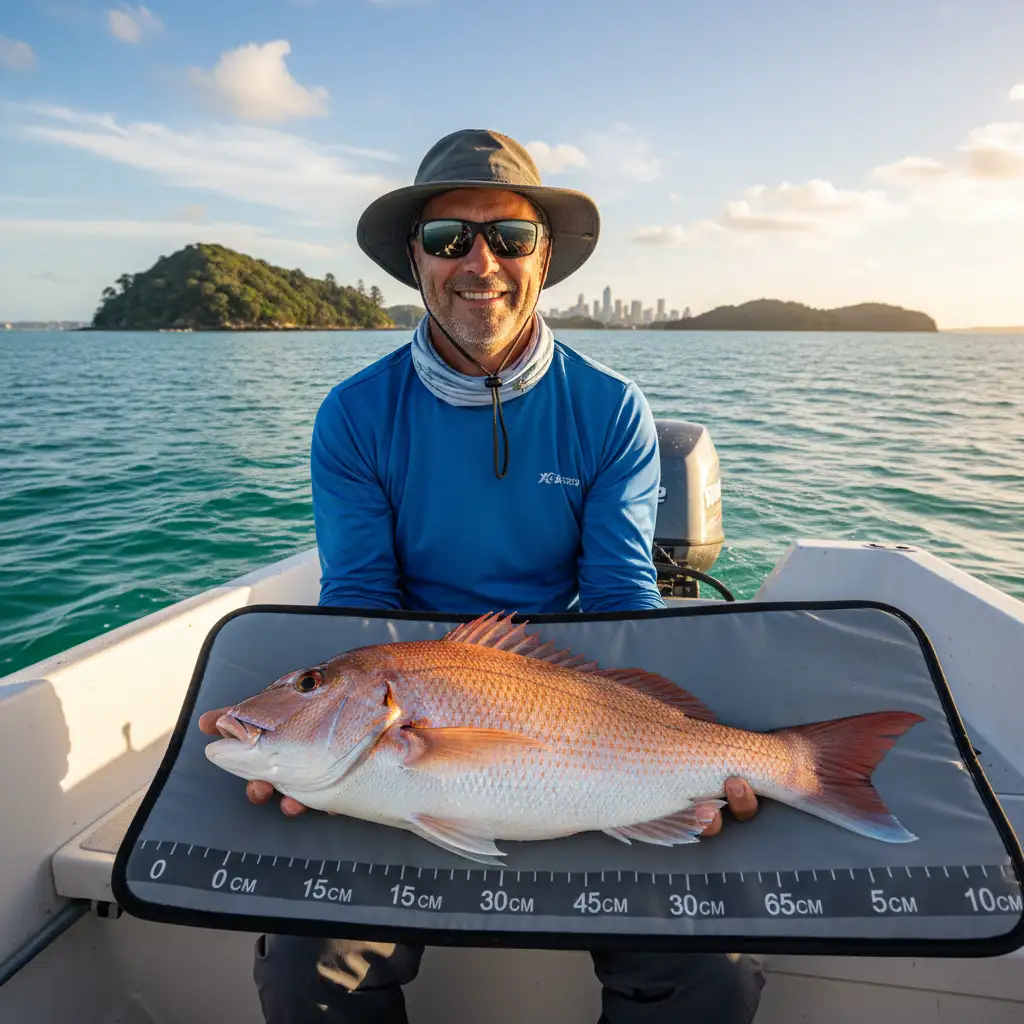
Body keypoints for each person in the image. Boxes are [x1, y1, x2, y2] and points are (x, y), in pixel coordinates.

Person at [199, 128, 764, 1024]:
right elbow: (357, 609)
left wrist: (680, 756)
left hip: (561, 713)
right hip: (404, 717)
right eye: (447, 238)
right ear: (415, 262)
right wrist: (308, 755)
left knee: (712, 977)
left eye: (509, 237)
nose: (480, 262)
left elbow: (621, 603)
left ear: (543, 258)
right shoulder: (354, 416)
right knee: (306, 975)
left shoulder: (611, 409)